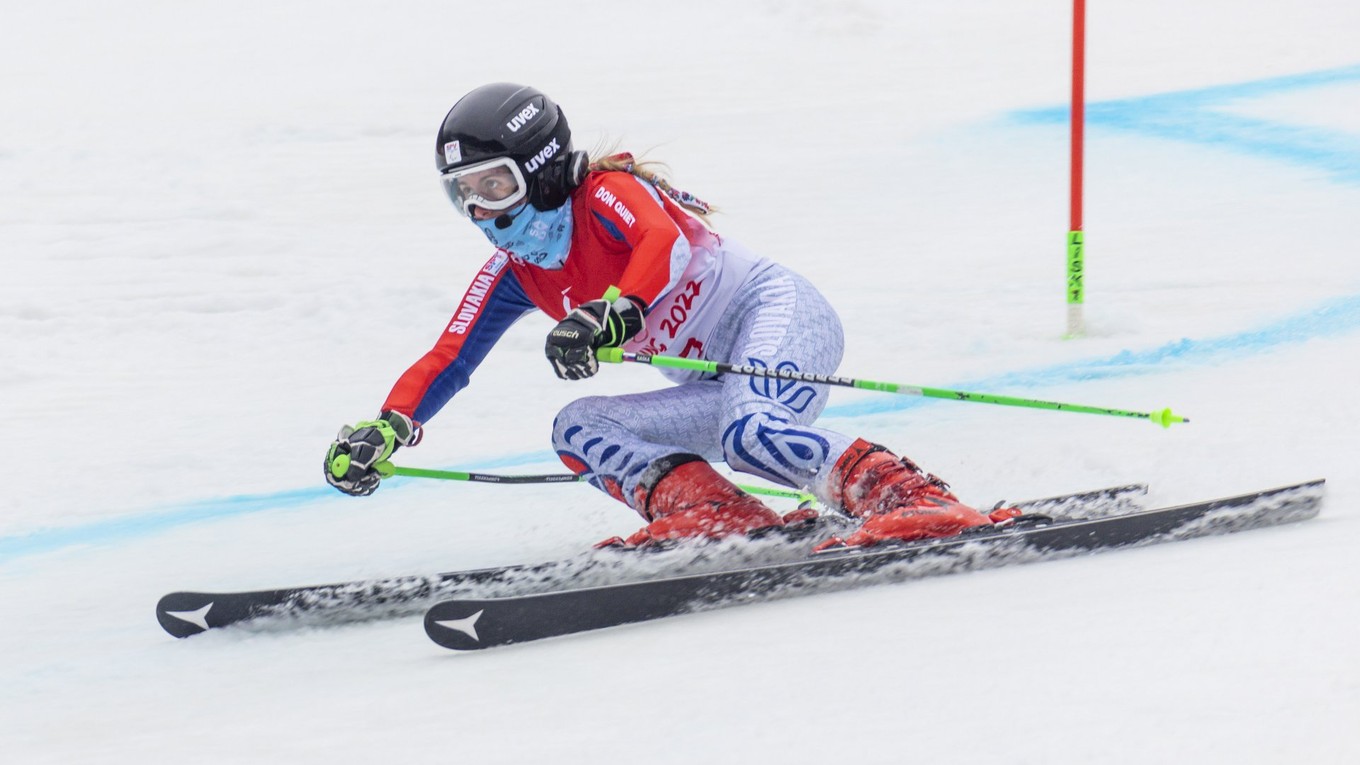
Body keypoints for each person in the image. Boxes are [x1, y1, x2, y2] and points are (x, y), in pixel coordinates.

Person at [324, 83, 1008, 551]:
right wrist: (386, 427)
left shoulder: (605, 194)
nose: (482, 212)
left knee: (752, 434)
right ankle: (716, 514)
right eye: (464, 196)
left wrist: (613, 312)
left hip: (777, 317)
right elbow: (448, 356)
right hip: (712, 383)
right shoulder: (514, 273)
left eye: (494, 185)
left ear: (539, 168)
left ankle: (908, 499)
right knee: (578, 425)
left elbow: (663, 242)